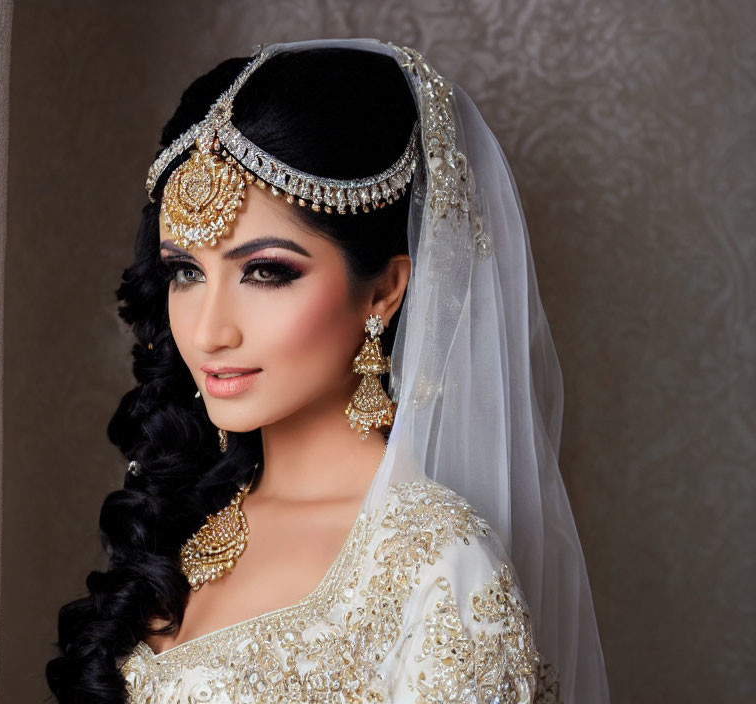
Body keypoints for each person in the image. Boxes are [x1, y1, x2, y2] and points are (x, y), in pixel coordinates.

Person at [46, 38, 610, 703]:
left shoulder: (437, 564)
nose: (208, 331)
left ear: (383, 291)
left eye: (266, 272)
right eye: (185, 272)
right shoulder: (185, 516)